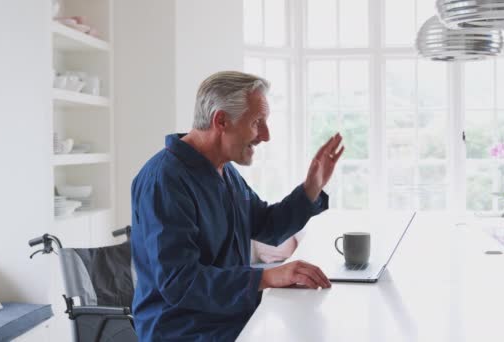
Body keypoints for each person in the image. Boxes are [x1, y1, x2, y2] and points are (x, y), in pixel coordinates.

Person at [131, 71, 344, 341]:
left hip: (227, 317)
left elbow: (267, 225)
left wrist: (311, 186)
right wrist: (266, 278)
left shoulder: (223, 170)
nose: (265, 136)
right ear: (221, 120)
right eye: (257, 122)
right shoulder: (164, 180)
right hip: (184, 331)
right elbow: (180, 283)